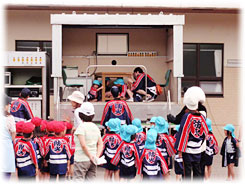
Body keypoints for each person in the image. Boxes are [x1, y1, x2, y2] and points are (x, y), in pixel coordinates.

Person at [174, 94, 209, 181]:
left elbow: (183, 133)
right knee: (197, 170)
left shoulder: (187, 116)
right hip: (198, 149)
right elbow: (206, 132)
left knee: (187, 173)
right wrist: (200, 143)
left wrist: (180, 150)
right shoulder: (202, 117)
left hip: (188, 149)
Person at [73, 102, 103, 181]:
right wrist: (96, 157)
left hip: (81, 159)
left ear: (80, 114)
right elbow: (100, 144)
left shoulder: (81, 127)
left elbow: (83, 145)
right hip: (93, 160)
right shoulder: (95, 127)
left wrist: (89, 156)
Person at [1, 94, 16, 180]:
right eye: (8, 104)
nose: (9, 106)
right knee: (6, 173)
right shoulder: (9, 118)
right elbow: (13, 133)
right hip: (6, 146)